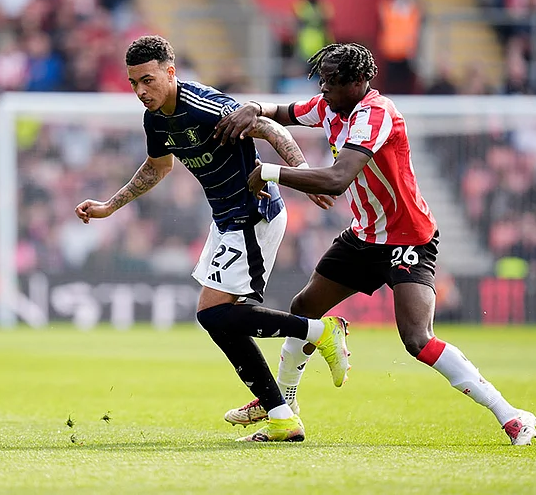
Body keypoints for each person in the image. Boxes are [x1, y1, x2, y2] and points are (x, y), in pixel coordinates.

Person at [214, 42, 536, 445]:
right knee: (303, 308)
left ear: (358, 81)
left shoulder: (376, 114)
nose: (324, 89)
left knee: (417, 340)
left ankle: (510, 415)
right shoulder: (330, 106)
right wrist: (255, 108)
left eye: (332, 82)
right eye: (323, 80)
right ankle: (284, 407)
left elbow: (337, 179)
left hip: (408, 239)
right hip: (364, 236)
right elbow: (287, 112)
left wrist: (269, 172)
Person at [75, 35, 350, 443]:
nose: (140, 91)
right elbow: (157, 167)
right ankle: (278, 411)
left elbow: (271, 129)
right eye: (134, 83)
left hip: (254, 216)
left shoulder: (205, 106)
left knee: (214, 314)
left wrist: (303, 173)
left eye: (147, 80)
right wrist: (110, 206)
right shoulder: (155, 120)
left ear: (171, 72)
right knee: (219, 316)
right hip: (226, 221)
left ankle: (317, 335)